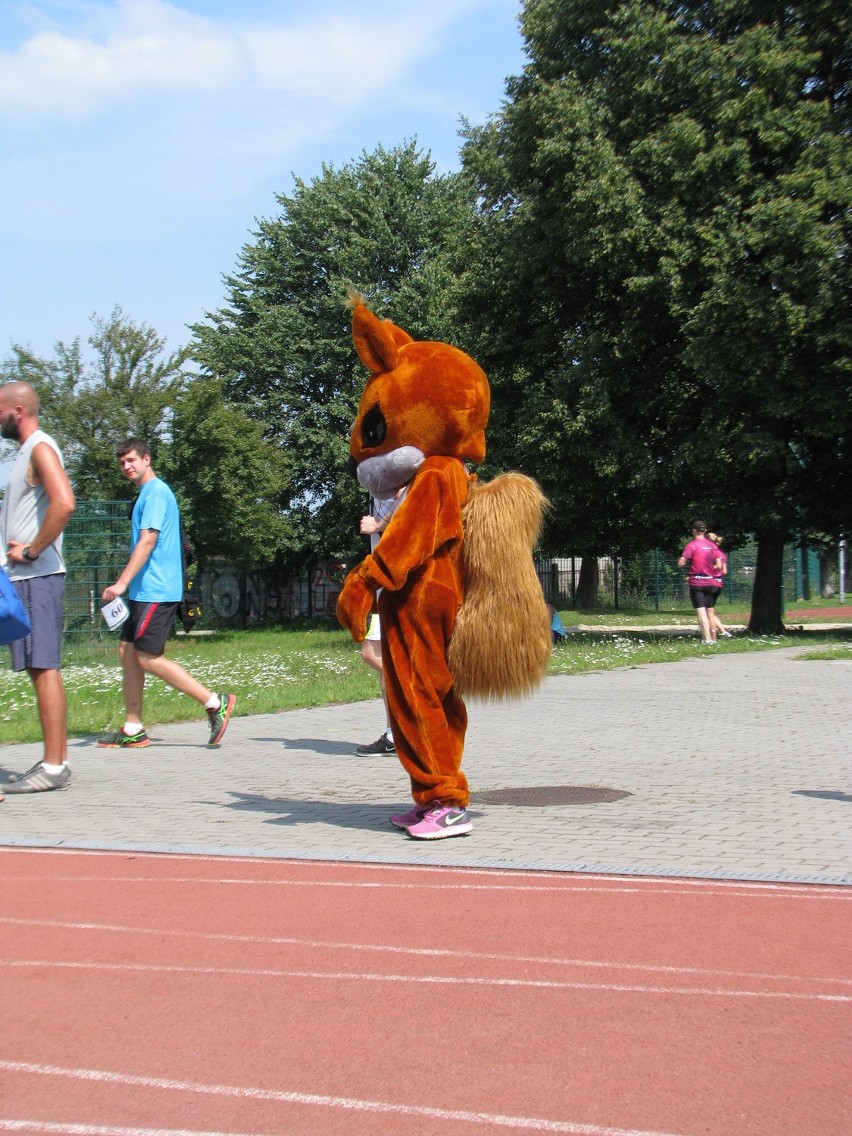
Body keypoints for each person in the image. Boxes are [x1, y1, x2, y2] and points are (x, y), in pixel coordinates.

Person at [98, 438, 235, 748]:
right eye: (122, 463)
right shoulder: (146, 493)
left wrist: (120, 583)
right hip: (144, 589)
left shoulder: (157, 492)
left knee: (147, 656)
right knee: (127, 651)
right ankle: (133, 727)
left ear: (147, 459)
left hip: (157, 589)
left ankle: (215, 702)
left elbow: (147, 541)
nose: (126, 467)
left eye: (131, 460)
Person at [0, 381, 76, 794]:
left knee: (43, 665)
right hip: (27, 578)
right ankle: (55, 761)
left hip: (38, 576)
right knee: (38, 666)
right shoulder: (26, 453)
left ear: (16, 410)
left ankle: (53, 766)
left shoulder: (40, 448)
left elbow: (64, 502)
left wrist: (30, 550)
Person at [354, 488, 406, 757]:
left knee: (372, 653)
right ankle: (394, 734)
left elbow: (408, 497)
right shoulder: (379, 470)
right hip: (384, 583)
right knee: (384, 658)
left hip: (393, 583)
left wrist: (378, 524)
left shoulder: (396, 464)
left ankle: (408, 723)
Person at [678, 519, 723, 645]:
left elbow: (681, 562)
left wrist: (683, 562)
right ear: (705, 531)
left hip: (697, 582)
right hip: (711, 582)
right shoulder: (713, 546)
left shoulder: (692, 545)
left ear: (694, 531)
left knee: (701, 611)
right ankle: (714, 639)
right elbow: (719, 564)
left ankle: (707, 639)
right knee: (711, 611)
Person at [707, 533, 733, 639]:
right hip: (719, 583)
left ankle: (721, 633)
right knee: (710, 610)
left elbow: (709, 567)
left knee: (707, 611)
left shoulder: (710, 552)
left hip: (710, 582)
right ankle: (722, 632)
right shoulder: (722, 554)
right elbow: (725, 571)